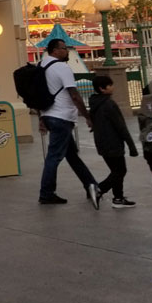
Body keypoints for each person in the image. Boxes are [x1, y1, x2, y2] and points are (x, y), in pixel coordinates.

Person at [36, 39, 101, 207]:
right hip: (62, 118)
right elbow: (74, 94)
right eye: (64, 48)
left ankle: (91, 185)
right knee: (54, 157)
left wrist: (41, 117)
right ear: (55, 50)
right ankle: (46, 193)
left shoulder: (41, 66)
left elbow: (36, 94)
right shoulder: (62, 67)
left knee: (71, 155)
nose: (67, 52)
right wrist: (87, 116)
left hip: (49, 115)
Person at [88, 75, 138, 208]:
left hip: (102, 143)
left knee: (116, 171)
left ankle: (118, 198)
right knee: (120, 171)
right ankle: (99, 189)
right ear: (102, 89)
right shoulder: (109, 104)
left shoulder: (94, 103)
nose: (113, 87)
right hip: (113, 142)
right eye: (110, 85)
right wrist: (131, 146)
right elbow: (121, 126)